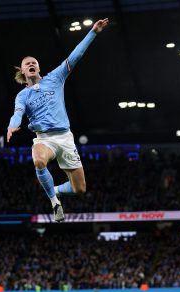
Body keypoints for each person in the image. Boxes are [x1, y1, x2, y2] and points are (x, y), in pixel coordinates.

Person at [7, 18, 109, 222]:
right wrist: (12, 125)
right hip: (44, 139)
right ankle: (54, 202)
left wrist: (93, 32)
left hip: (65, 138)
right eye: (27, 64)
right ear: (23, 71)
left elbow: (76, 55)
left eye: (34, 62)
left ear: (38, 67)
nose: (31, 64)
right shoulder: (23, 95)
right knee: (38, 160)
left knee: (79, 188)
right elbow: (18, 113)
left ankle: (54, 189)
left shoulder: (55, 78)